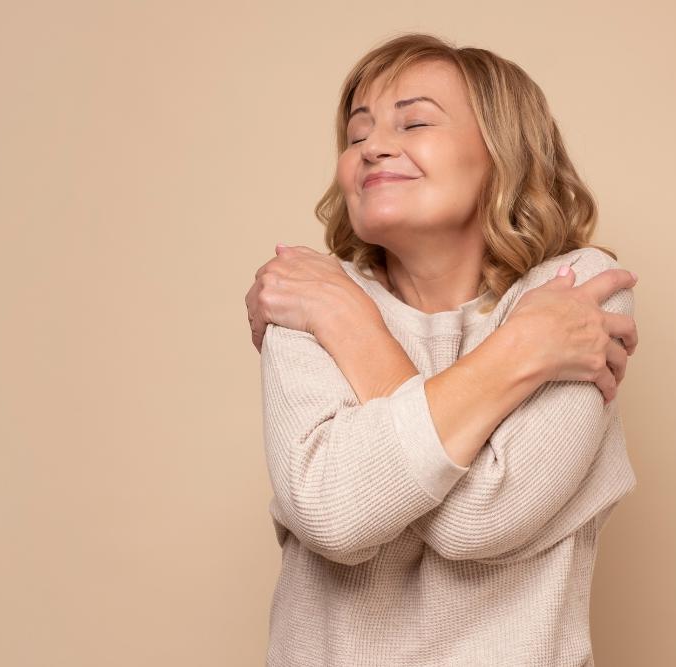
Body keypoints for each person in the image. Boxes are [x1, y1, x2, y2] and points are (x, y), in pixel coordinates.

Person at [244, 33, 640, 667]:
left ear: (503, 154)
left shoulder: (573, 296)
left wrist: (354, 332)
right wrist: (522, 352)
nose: (372, 147)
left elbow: (480, 519)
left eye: (416, 121)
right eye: (356, 134)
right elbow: (333, 512)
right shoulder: (308, 293)